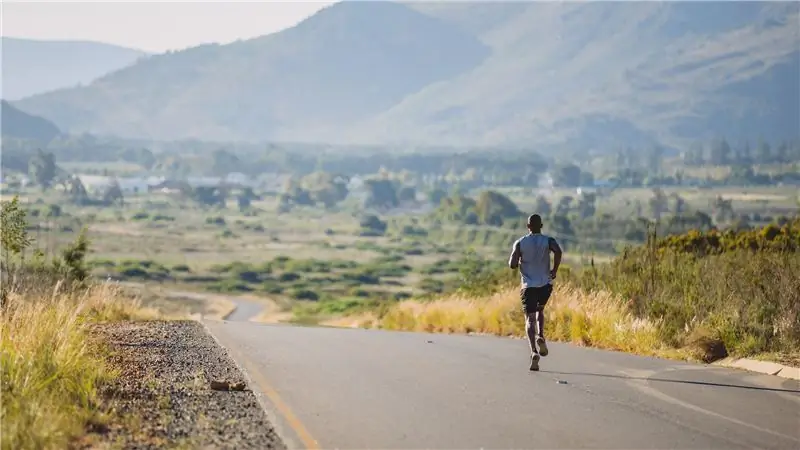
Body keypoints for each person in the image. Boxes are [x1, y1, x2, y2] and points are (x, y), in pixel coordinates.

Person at [508, 213, 562, 371]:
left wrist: (518, 258)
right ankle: (541, 336)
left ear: (528, 227)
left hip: (528, 286)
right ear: (541, 226)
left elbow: (512, 264)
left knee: (529, 318)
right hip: (545, 284)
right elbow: (558, 251)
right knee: (540, 310)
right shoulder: (548, 240)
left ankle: (533, 352)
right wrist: (554, 269)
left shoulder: (520, 243)